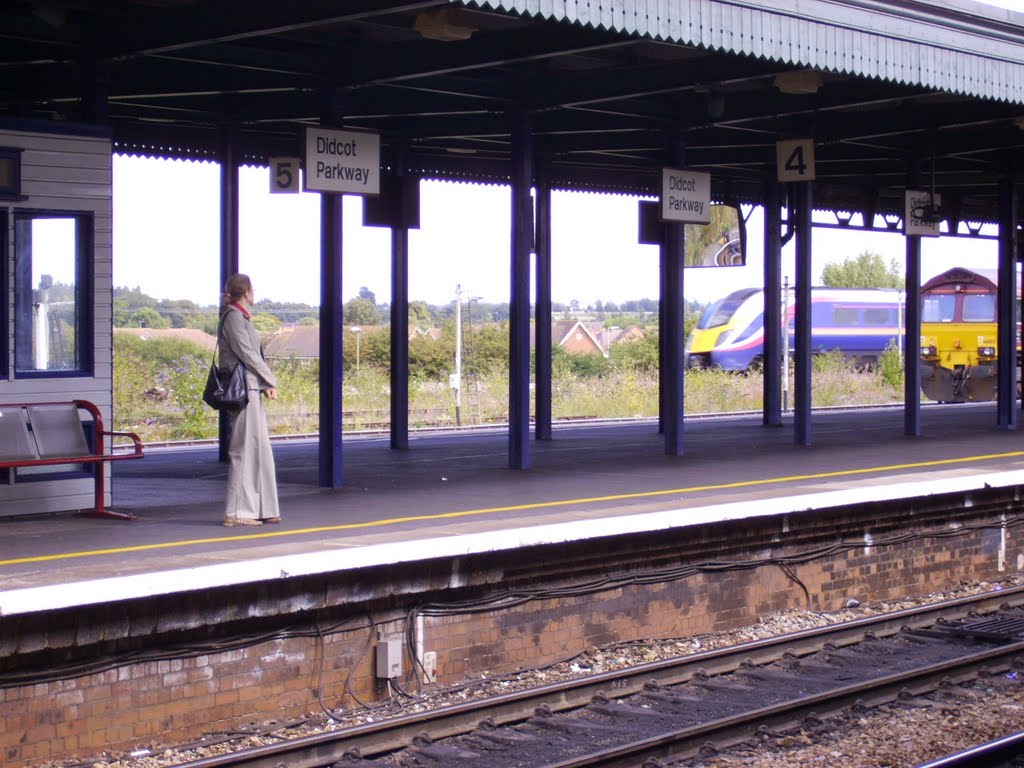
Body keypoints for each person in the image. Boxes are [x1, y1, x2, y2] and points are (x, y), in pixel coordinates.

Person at [218, 273, 281, 526]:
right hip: (244, 390)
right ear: (247, 292)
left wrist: (263, 383)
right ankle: (236, 512)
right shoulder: (234, 318)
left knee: (259, 448)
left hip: (252, 388)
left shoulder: (241, 318)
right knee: (244, 449)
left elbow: (251, 354)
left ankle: (264, 507)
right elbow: (247, 353)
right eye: (253, 290)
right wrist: (270, 379)